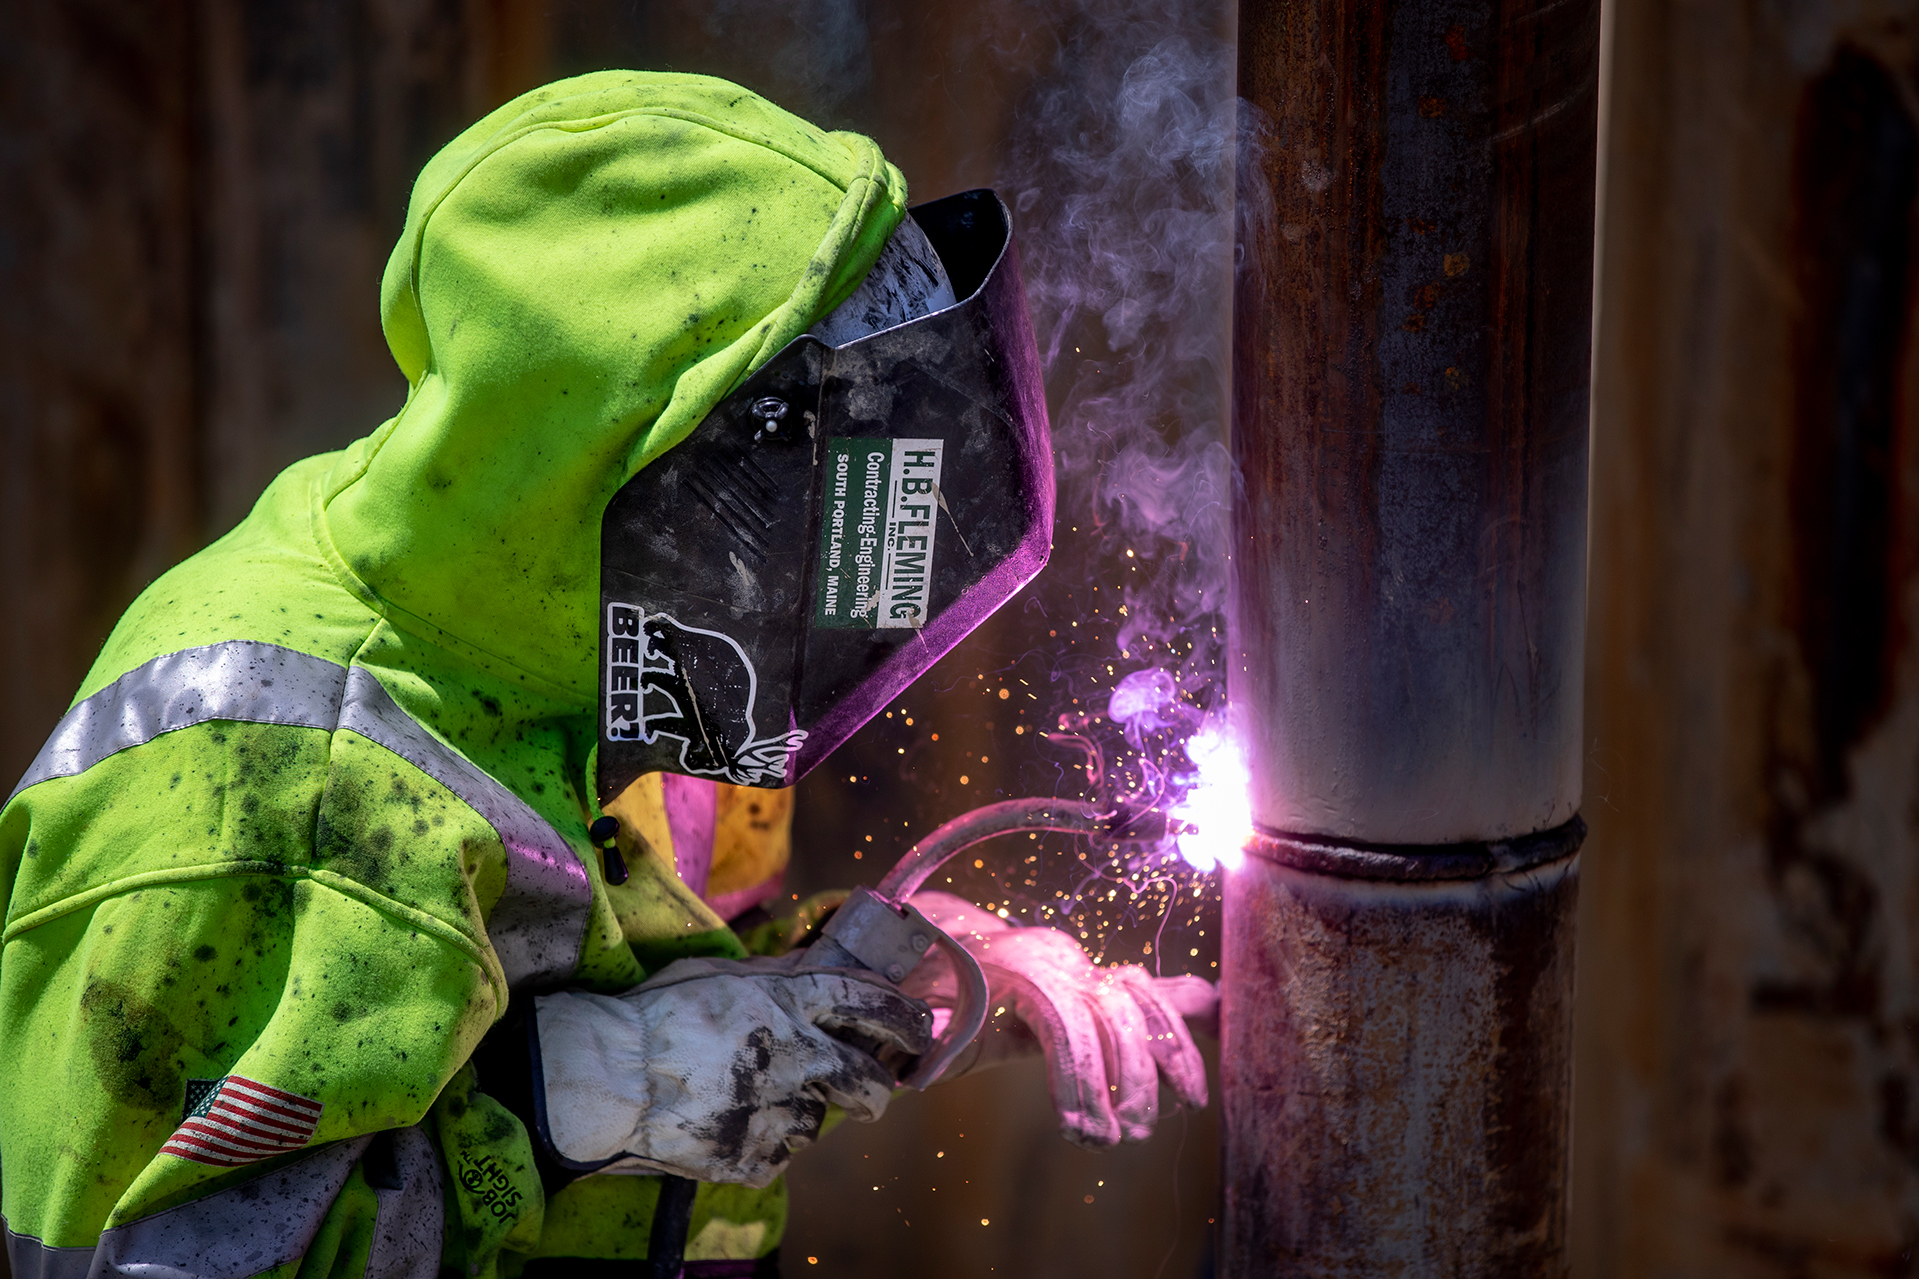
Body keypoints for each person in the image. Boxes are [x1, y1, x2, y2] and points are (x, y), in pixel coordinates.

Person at [0, 71, 1211, 1279]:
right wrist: (572, 1098)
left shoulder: (662, 670)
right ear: (634, 457)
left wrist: (908, 975)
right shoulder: (257, 780)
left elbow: (688, 983)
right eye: (791, 504)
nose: (812, 582)